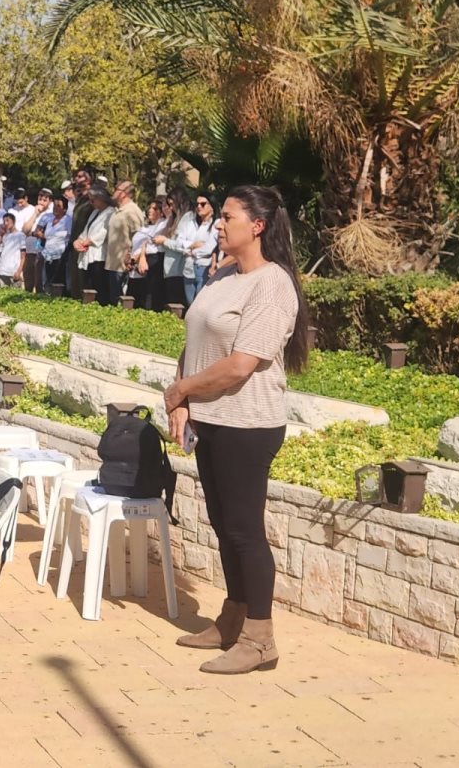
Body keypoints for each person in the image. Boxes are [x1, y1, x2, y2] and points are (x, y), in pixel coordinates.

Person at [163, 185, 309, 675]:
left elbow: (242, 364)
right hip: (211, 419)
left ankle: (260, 639)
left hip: (248, 424)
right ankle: (233, 618)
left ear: (258, 226)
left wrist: (181, 390)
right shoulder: (223, 274)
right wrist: (183, 400)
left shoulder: (272, 285)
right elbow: (195, 341)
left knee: (245, 530)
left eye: (227, 217)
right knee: (224, 525)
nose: (218, 224)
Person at [104, 181, 145, 307]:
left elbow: (140, 237)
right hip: (112, 263)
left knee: (121, 302)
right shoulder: (117, 210)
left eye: (117, 189)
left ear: (124, 194)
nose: (113, 191)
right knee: (112, 301)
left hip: (123, 265)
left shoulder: (132, 211)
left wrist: (132, 257)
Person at [155, 188, 195, 308]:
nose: (171, 208)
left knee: (177, 306)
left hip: (179, 270)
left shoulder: (188, 218)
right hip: (171, 270)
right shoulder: (176, 218)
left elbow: (184, 245)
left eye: (172, 204)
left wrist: (165, 241)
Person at [127, 199, 166, 310]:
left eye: (154, 209)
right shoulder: (144, 228)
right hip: (133, 267)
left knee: (145, 299)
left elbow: (149, 244)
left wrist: (136, 258)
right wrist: (129, 257)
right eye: (149, 208)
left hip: (147, 263)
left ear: (161, 212)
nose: (150, 210)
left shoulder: (161, 225)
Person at [74, 187, 111, 303]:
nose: (91, 203)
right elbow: (86, 230)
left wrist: (89, 241)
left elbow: (104, 232)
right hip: (87, 252)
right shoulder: (94, 212)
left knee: (98, 286)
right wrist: (78, 241)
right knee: (87, 284)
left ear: (101, 199)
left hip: (99, 255)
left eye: (93, 200)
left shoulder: (111, 212)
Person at [182, 193, 220, 303]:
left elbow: (209, 248)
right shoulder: (195, 223)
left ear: (212, 206)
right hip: (190, 267)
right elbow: (181, 243)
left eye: (203, 204)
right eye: (197, 204)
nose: (199, 206)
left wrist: (192, 251)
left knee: (200, 303)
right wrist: (194, 245)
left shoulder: (216, 223)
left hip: (205, 267)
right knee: (190, 303)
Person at [64, 169, 95, 298]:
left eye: (80, 176)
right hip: (74, 244)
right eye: (76, 176)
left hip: (87, 245)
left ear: (89, 179)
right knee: (74, 283)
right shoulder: (80, 199)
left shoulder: (94, 198)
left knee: (84, 283)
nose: (76, 179)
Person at [35, 197, 72, 291]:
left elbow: (70, 236)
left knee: (57, 282)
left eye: (58, 206)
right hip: (47, 255)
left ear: (65, 209)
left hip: (60, 256)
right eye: (54, 205)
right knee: (46, 281)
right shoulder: (50, 219)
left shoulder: (68, 220)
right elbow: (45, 234)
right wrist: (41, 235)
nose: (55, 208)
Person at [20, 189, 52, 293]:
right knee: (28, 281)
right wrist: (35, 214)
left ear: (50, 201)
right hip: (30, 251)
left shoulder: (50, 214)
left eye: (44, 200)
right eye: (40, 199)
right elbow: (25, 230)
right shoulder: (32, 211)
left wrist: (33, 233)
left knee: (39, 282)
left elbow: (43, 233)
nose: (41, 202)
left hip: (41, 252)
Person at [0, 212, 26, 287]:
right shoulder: (5, 236)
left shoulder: (20, 235)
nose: (5, 223)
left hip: (13, 271)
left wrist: (19, 271)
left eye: (7, 220)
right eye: (4, 221)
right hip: (3, 271)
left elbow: (23, 256)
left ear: (13, 221)